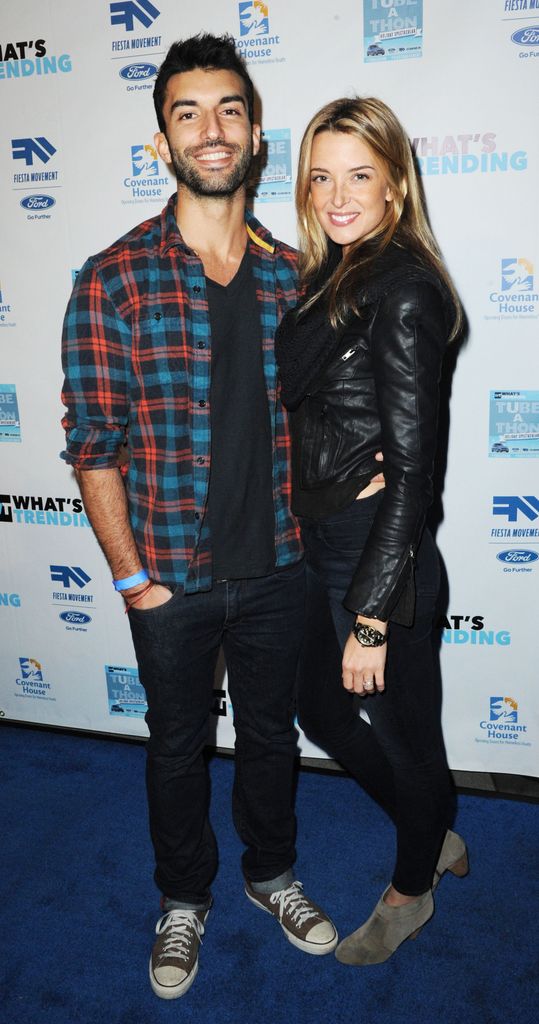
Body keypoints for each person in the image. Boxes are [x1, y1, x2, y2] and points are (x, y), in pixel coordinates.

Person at [61, 33, 338, 1001]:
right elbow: (92, 443)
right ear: (160, 141)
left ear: (256, 135)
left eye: (228, 110)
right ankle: (183, 895)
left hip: (280, 567)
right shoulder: (113, 277)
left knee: (268, 735)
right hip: (167, 574)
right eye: (187, 112)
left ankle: (271, 874)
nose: (210, 130)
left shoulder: (300, 277)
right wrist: (133, 577)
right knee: (176, 744)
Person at [275, 97, 468, 967]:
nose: (337, 194)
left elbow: (414, 476)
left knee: (407, 740)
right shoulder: (335, 274)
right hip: (329, 545)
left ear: (395, 183)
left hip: (377, 560)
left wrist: (370, 616)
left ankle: (409, 887)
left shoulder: (402, 288)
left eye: (359, 174)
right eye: (320, 176)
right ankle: (427, 831)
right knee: (317, 705)